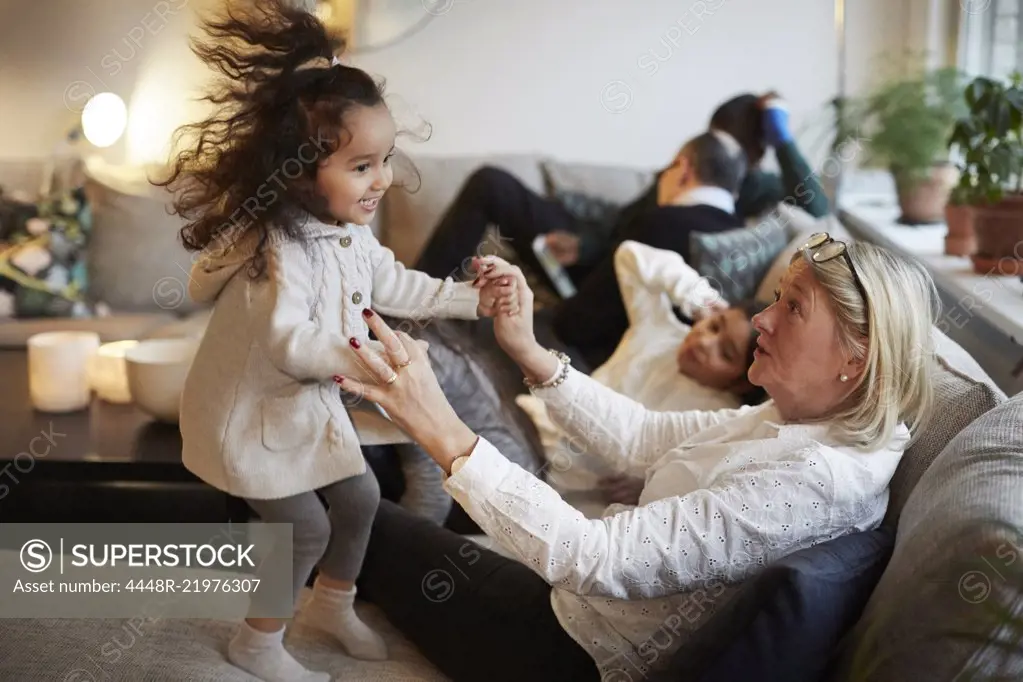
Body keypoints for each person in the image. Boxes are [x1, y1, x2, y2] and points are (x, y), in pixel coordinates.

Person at [336, 231, 939, 682]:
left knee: (344, 501)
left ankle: (240, 593)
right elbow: (643, 435)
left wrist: (441, 427)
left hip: (566, 650)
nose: (761, 319)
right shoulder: (801, 421)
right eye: (776, 299)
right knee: (347, 475)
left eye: (793, 308)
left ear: (855, 359)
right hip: (573, 609)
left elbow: (592, 557)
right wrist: (528, 349)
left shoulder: (815, 479)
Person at [155, 4, 515, 681]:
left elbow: (397, 286)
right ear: (298, 172)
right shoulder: (276, 251)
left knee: (358, 500)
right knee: (304, 528)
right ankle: (256, 642)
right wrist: (373, 362)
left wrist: (476, 300)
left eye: (384, 160)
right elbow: (292, 344)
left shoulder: (351, 234)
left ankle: (330, 603)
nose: (380, 179)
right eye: (361, 166)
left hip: (303, 408)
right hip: (249, 417)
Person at [518, 240, 765, 508]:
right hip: (529, 420)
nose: (706, 342)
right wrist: (699, 298)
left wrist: (653, 484)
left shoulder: (717, 421)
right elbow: (629, 255)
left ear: (740, 383)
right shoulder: (660, 329)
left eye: (725, 353)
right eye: (715, 326)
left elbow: (701, 487)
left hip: (558, 487)